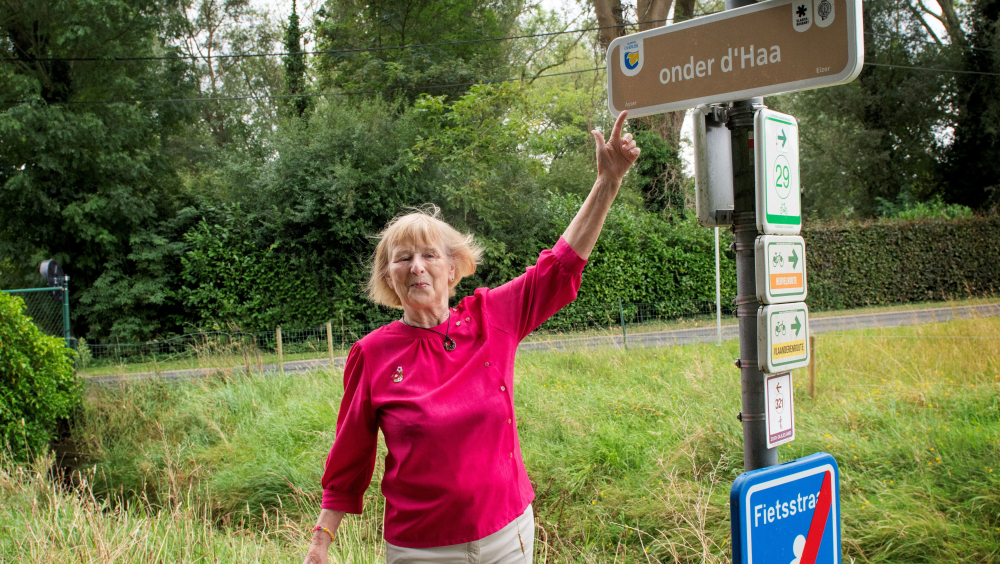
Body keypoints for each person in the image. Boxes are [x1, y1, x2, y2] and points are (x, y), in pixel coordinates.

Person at [303, 111, 640, 564]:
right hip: (421, 549)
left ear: (452, 267)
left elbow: (559, 266)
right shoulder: (373, 354)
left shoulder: (492, 316)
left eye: (429, 255)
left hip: (508, 534)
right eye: (402, 259)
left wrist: (608, 183)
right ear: (389, 277)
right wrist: (321, 539)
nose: (416, 267)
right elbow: (350, 457)